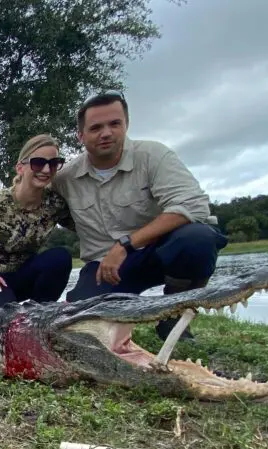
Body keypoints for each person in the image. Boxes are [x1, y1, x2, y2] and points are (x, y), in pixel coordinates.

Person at [52, 91, 228, 339]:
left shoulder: (154, 155)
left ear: (126, 124)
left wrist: (126, 244)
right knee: (78, 320)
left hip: (159, 253)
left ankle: (175, 314)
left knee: (198, 239)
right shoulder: (65, 178)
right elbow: (40, 206)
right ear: (81, 135)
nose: (106, 133)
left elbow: (194, 207)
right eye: (96, 128)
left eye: (115, 124)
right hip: (104, 266)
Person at [0, 134, 75, 307]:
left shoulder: (55, 204)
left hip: (24, 275)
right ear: (20, 168)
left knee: (60, 257)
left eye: (53, 163)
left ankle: (41, 313)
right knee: (8, 321)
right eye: (38, 163)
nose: (46, 170)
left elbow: (82, 226)